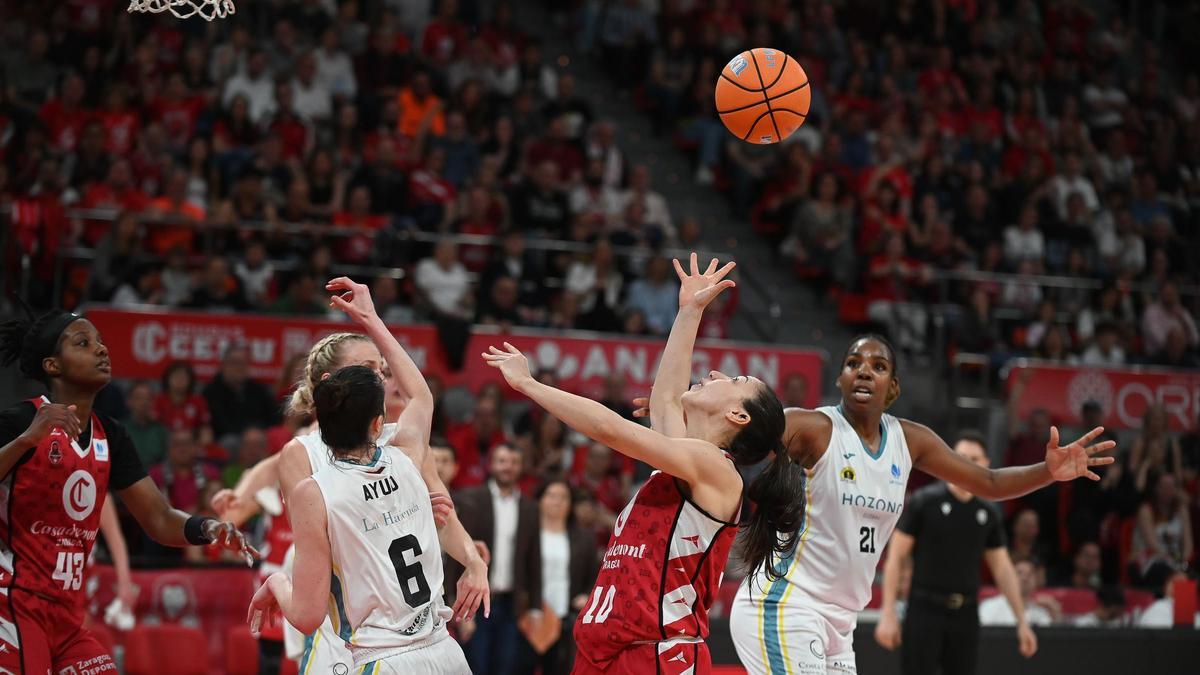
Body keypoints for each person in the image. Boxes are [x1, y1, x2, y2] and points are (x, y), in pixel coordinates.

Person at [634, 330, 1114, 674]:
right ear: (841, 379)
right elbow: (741, 427)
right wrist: (681, 414)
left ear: (893, 387)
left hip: (840, 622)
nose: (865, 370)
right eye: (854, 363)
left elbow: (986, 481)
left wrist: (1048, 471)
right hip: (786, 605)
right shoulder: (814, 428)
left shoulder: (911, 440)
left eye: (878, 366)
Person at [484, 255, 798, 674]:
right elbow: (666, 399)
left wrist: (529, 384)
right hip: (608, 649)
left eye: (735, 381)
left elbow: (613, 431)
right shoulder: (687, 460)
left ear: (739, 418)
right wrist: (690, 311)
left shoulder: (718, 471)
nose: (720, 373)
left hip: (659, 654)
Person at [214, 277, 487, 673]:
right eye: (368, 370)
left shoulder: (389, 450)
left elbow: (440, 520)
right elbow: (421, 397)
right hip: (352, 634)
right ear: (333, 385)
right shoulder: (395, 450)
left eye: (381, 369)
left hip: (376, 639)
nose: (381, 378)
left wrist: (469, 558)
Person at [0, 308, 255, 673]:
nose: (101, 349)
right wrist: (27, 440)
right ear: (53, 366)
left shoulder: (112, 435)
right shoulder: (20, 422)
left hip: (68, 617)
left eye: (100, 342)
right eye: (84, 343)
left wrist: (207, 528)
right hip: (14, 605)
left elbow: (159, 518)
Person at [247, 366, 477, 673]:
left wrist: (276, 581)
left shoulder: (314, 492)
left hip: (384, 659)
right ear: (378, 423)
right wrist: (371, 319)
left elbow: (306, 616)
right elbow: (421, 395)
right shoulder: (407, 456)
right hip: (446, 652)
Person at [875, 433, 1039, 675]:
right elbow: (896, 559)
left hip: (966, 613)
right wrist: (887, 612)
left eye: (974, 458)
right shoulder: (924, 501)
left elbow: (1003, 568)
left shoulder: (988, 511)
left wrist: (1022, 622)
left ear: (986, 464)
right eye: (961, 457)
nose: (967, 464)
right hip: (924, 609)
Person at [447, 444, 541, 675]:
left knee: (506, 667)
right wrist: (456, 605)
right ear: (491, 464)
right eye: (502, 461)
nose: (507, 467)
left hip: (511, 602)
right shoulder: (472, 500)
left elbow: (534, 559)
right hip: (476, 601)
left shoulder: (530, 507)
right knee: (476, 666)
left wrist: (536, 608)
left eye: (513, 462)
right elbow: (455, 556)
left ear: (521, 467)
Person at [534, 479, 599, 675]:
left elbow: (595, 576)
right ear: (540, 500)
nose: (557, 502)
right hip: (533, 615)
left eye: (563, 497)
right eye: (552, 496)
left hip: (566, 616)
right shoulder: (528, 533)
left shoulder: (585, 538)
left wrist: (587, 596)